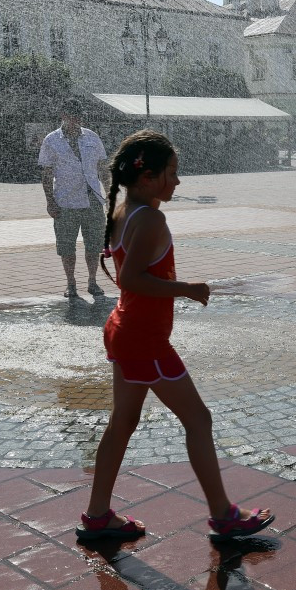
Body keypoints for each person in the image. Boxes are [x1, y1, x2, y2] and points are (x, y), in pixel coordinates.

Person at [77, 129, 274, 542]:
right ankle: (223, 514)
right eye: (171, 172)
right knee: (198, 418)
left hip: (123, 329)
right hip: (144, 339)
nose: (178, 182)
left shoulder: (125, 210)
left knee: (123, 423)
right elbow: (133, 279)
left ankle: (97, 516)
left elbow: (129, 279)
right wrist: (187, 289)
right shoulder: (149, 218)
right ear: (147, 176)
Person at [39, 98, 110, 298]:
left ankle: (92, 281)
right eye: (71, 116)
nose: (75, 120)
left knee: (94, 245)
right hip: (65, 202)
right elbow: (46, 173)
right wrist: (50, 201)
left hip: (92, 201)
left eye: (78, 116)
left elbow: (103, 168)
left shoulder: (92, 138)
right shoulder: (52, 140)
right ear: (63, 116)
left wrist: (109, 194)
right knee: (66, 246)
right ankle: (71, 283)